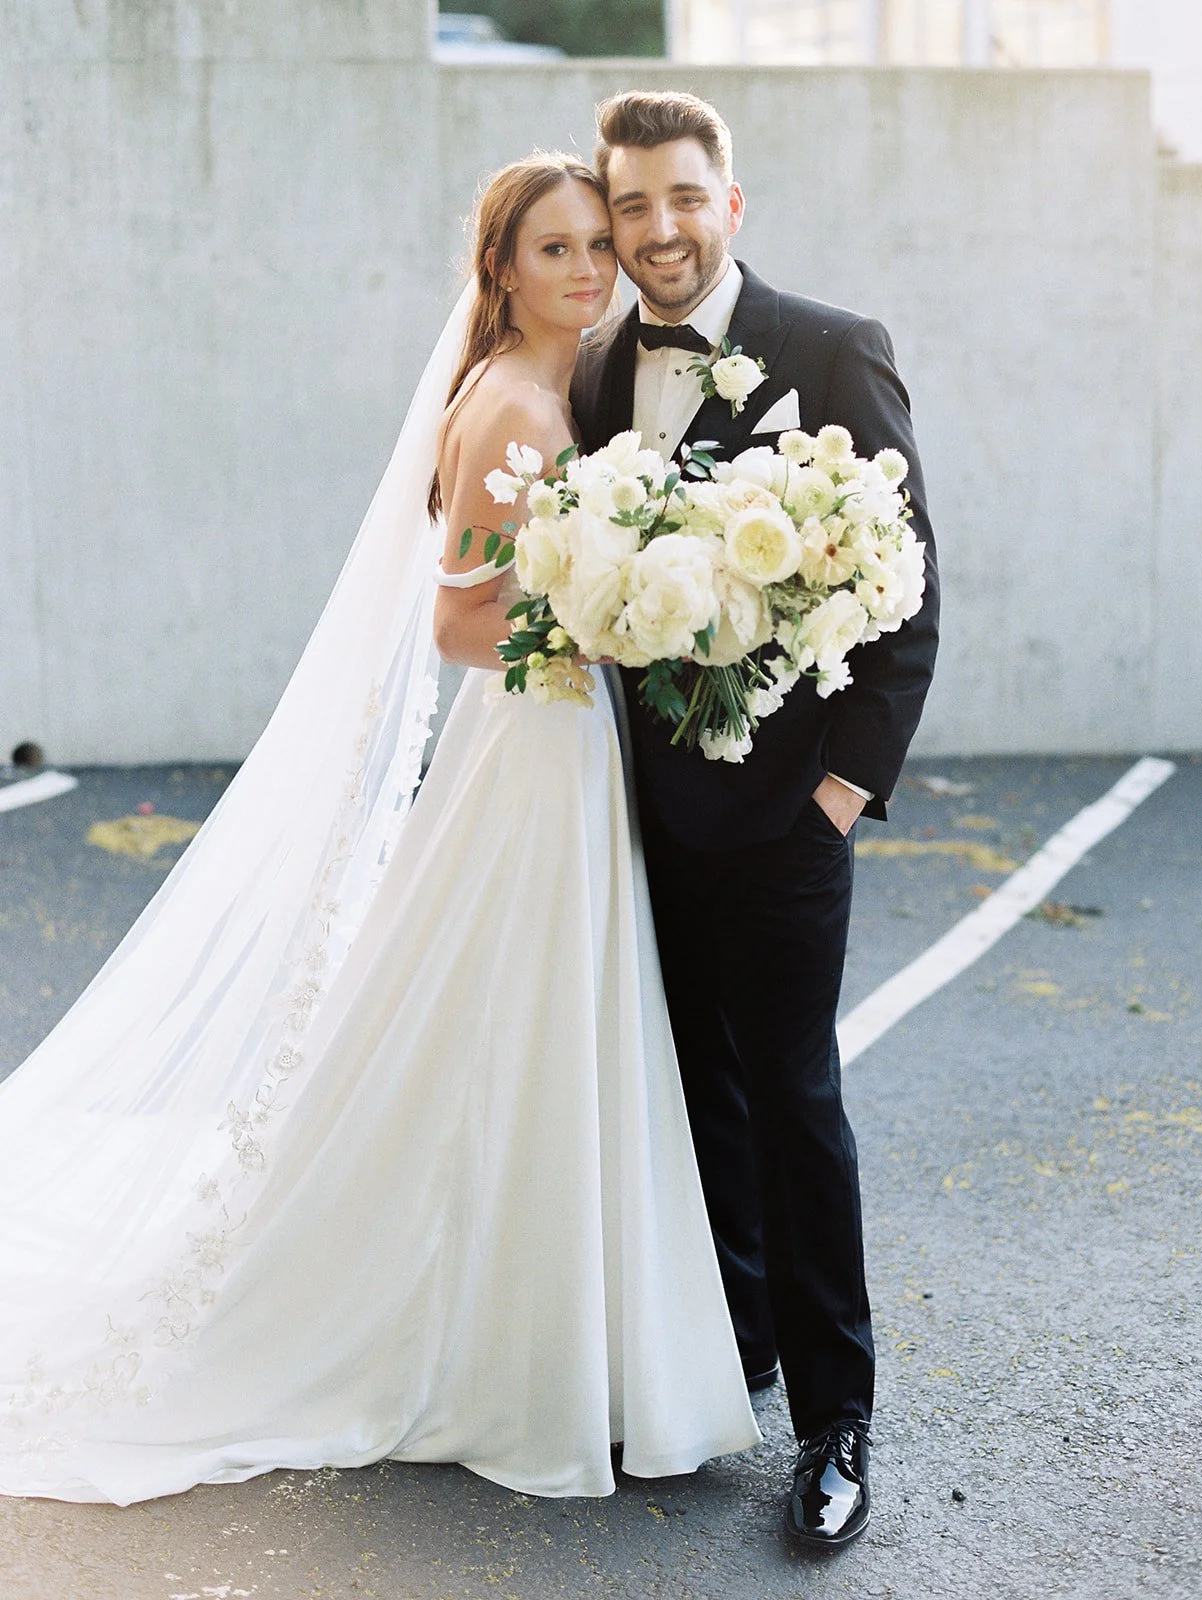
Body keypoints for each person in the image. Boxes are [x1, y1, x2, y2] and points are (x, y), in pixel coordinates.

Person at [0, 152, 758, 1506]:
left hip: (557, 743)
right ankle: (506, 1347)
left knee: (521, 1026)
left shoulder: (543, 387)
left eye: (598, 244)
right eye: (556, 250)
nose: (588, 269)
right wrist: (611, 611)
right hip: (534, 744)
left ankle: (545, 1324)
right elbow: (459, 621)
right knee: (511, 1024)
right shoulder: (515, 407)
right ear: (502, 271)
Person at [572, 91, 941, 1549]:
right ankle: (735, 1360)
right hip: (647, 810)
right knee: (695, 1094)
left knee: (793, 1099)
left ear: (731, 200)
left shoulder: (832, 347)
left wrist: (845, 793)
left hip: (791, 814)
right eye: (631, 208)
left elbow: (906, 594)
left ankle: (839, 1422)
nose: (656, 230)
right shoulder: (603, 371)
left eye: (681, 197)